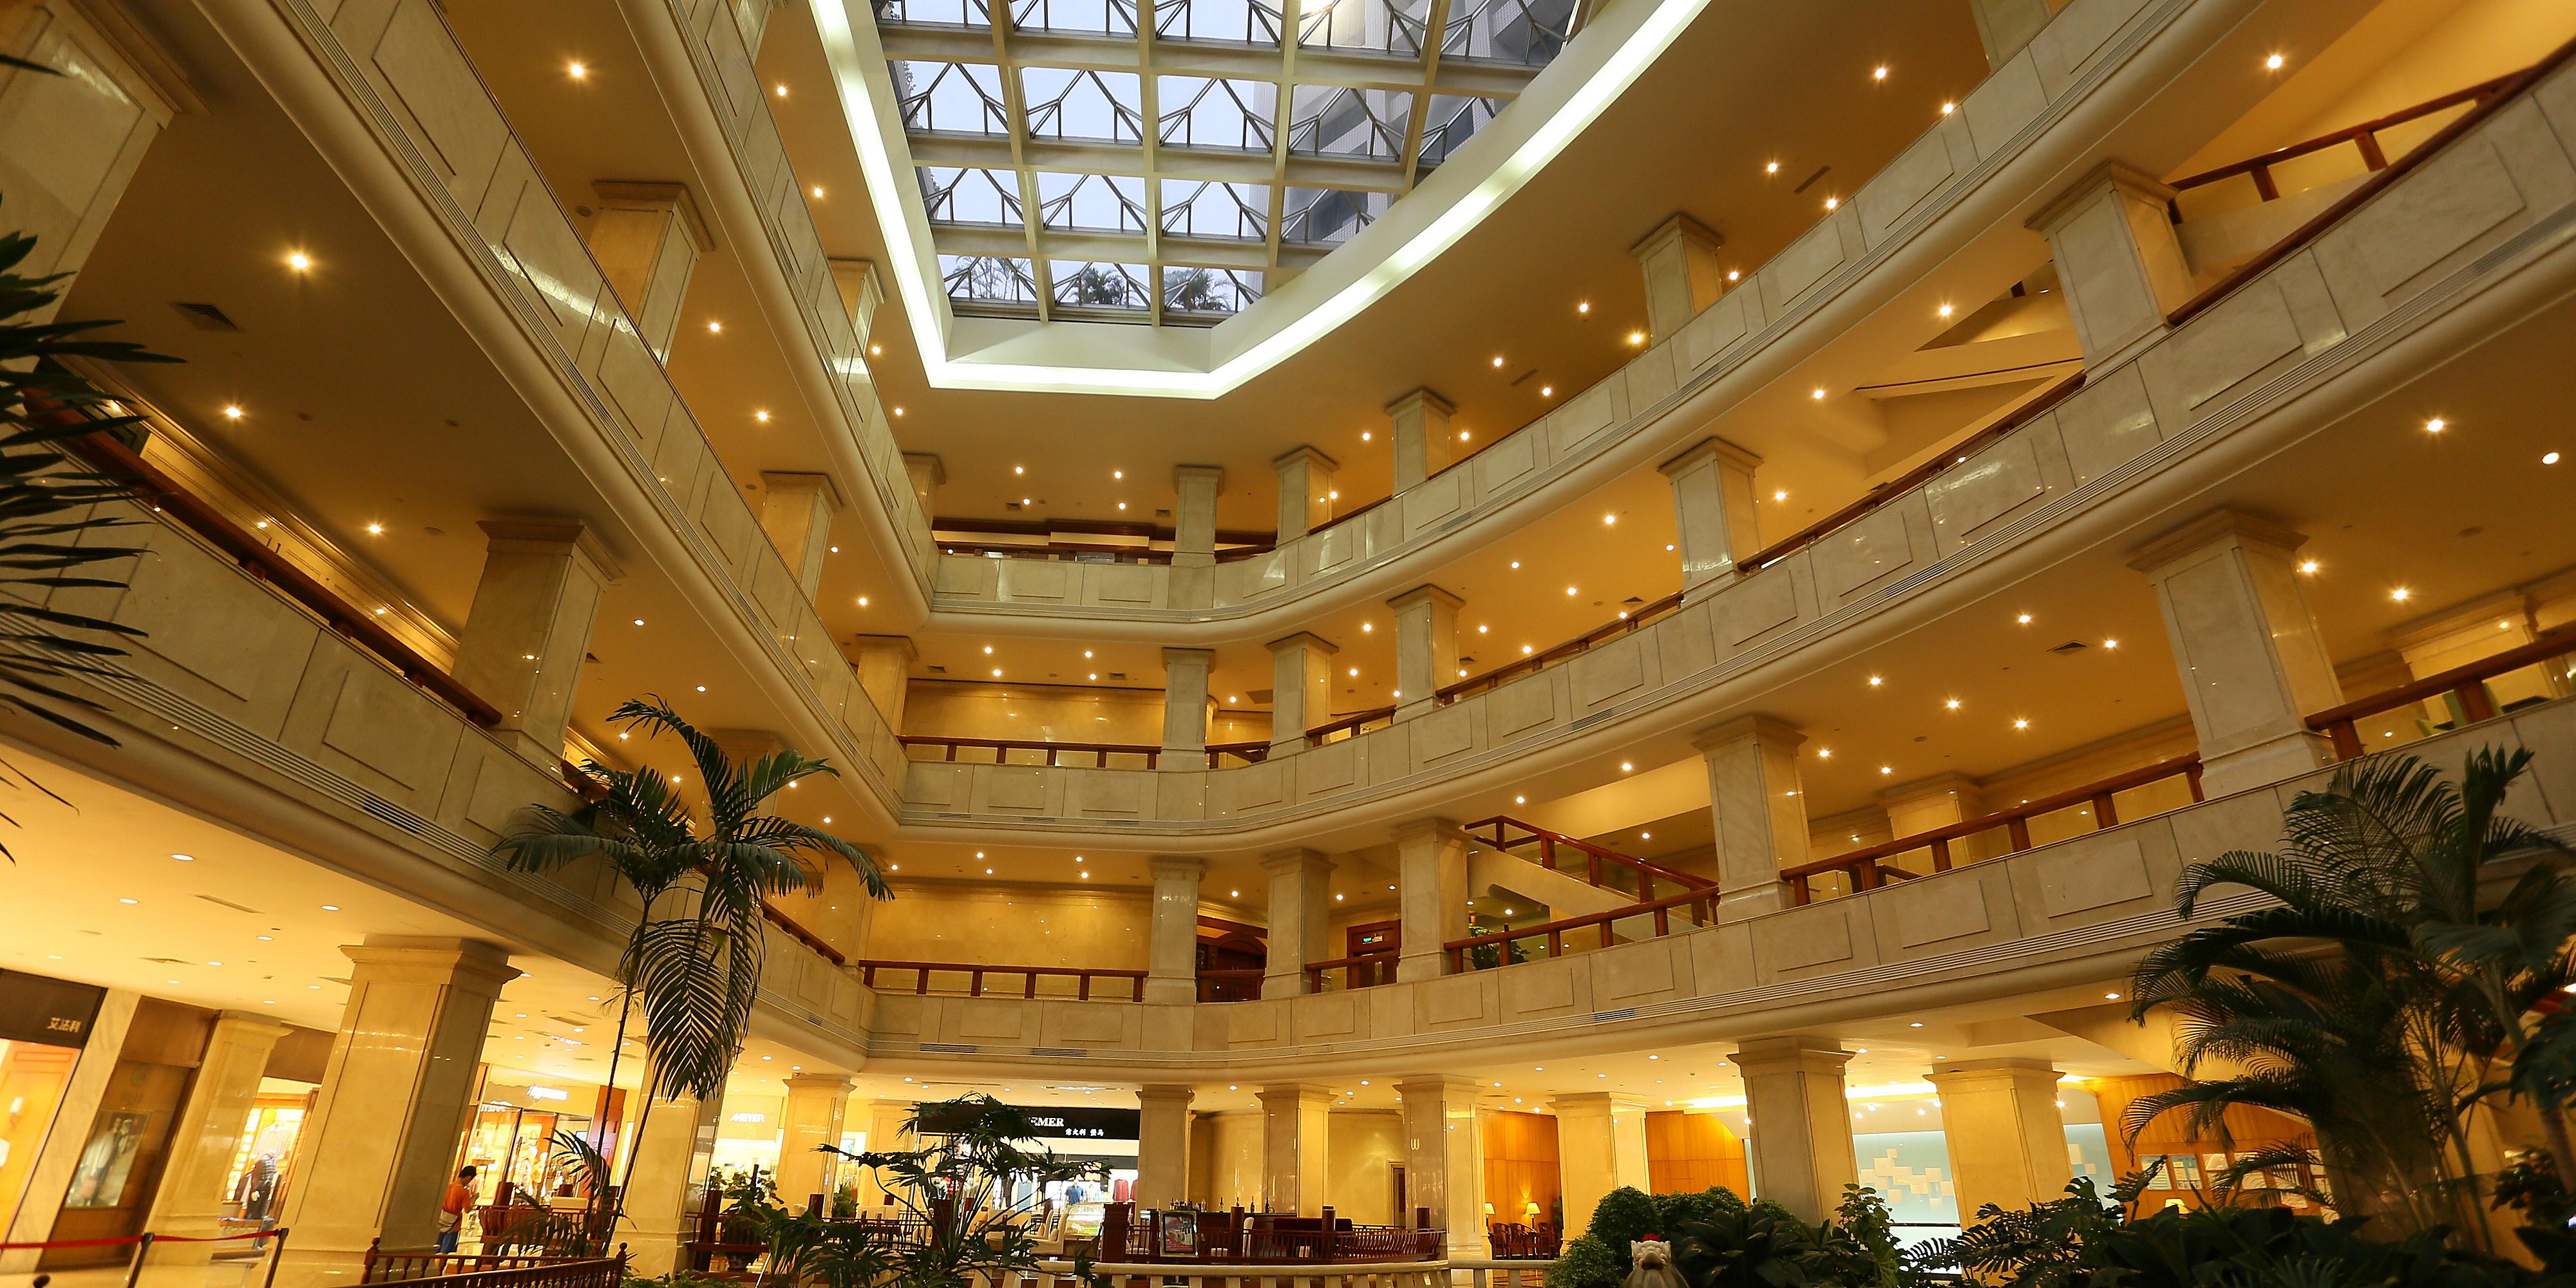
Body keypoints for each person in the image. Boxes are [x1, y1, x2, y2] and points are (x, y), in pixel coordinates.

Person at [436, 1166, 478, 1254]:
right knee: (445, 1252)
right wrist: (474, 1199)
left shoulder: (448, 1186)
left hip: (441, 1220)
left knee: (436, 1248)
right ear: (469, 1177)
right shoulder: (464, 1192)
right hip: (453, 1225)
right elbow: (467, 1210)